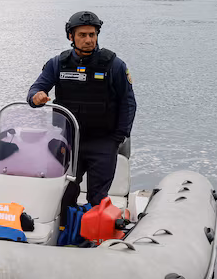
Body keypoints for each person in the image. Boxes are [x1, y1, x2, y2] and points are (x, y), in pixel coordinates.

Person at [27, 11, 136, 208]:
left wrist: (117, 138)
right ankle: (66, 231)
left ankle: (95, 235)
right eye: (82, 35)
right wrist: (36, 97)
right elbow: (35, 89)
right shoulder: (58, 64)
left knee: (97, 197)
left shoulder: (114, 65)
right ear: (71, 36)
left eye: (92, 35)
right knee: (64, 192)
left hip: (103, 142)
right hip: (68, 140)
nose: (88, 40)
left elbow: (128, 103)